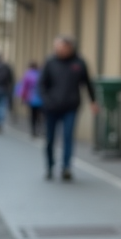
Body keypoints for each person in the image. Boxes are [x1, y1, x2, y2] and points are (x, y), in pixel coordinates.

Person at [38, 37, 96, 182]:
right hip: (52, 107)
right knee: (50, 138)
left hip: (70, 107)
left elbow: (87, 83)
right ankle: (50, 165)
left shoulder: (79, 63)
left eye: (62, 47)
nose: (59, 50)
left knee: (68, 137)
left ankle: (66, 167)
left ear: (70, 47)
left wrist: (93, 101)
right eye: (57, 47)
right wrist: (46, 101)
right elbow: (41, 85)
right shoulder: (50, 62)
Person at [16, 61, 43, 137]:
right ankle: (39, 128)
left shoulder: (28, 74)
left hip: (32, 98)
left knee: (33, 115)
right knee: (40, 114)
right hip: (41, 98)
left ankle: (33, 130)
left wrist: (22, 97)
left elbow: (24, 87)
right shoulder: (40, 74)